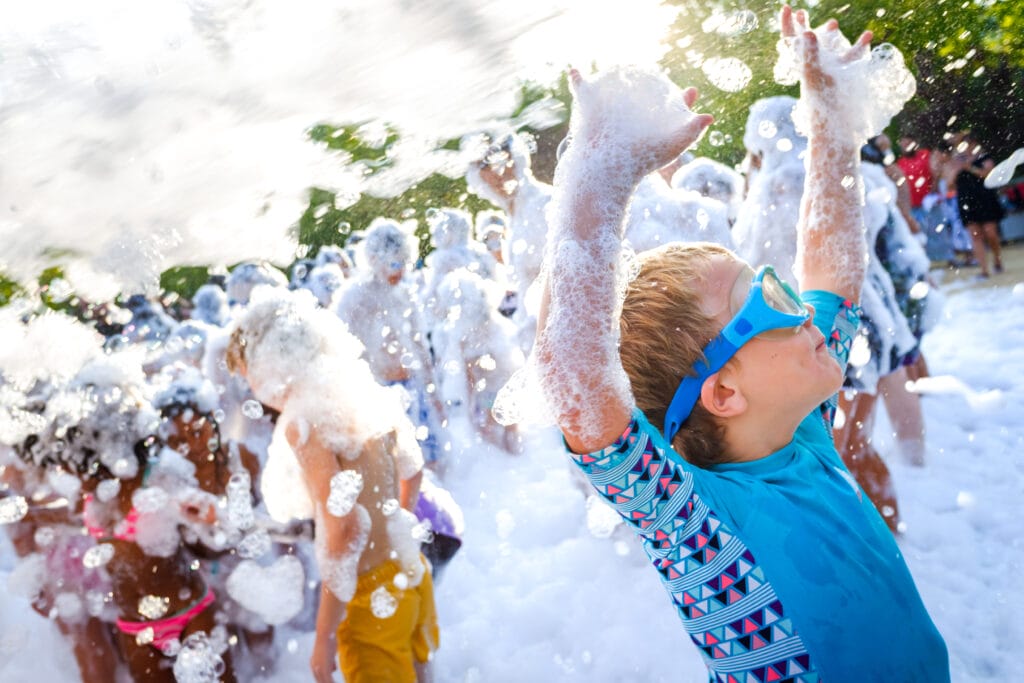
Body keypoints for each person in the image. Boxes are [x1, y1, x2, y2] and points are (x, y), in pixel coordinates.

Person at [529, 7, 947, 681]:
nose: (796, 299)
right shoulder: (701, 527)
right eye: (765, 301)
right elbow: (578, 388)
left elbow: (832, 273)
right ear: (723, 390)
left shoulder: (800, 429)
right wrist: (600, 173)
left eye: (771, 283)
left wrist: (833, 125)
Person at [226, 288, 438, 683]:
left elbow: (343, 529)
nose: (250, 387)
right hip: (410, 572)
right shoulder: (360, 388)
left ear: (272, 363)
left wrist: (323, 636)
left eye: (247, 374)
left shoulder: (302, 423)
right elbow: (413, 469)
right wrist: (394, 527)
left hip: (369, 598)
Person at [956, 136, 1006, 279]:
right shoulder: (958, 161)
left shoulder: (984, 157)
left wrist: (970, 168)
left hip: (985, 199)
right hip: (967, 201)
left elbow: (988, 174)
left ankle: (997, 258)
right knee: (975, 235)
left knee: (990, 233)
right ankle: (984, 270)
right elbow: (949, 182)